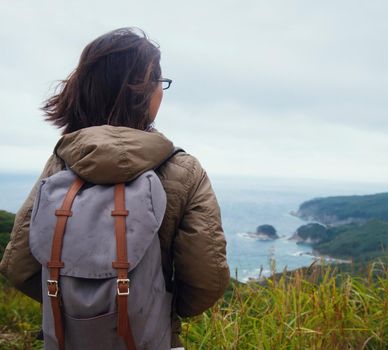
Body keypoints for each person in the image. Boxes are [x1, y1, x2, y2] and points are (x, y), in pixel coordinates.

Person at [0, 27, 230, 349]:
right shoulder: (183, 170)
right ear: (145, 92)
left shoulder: (63, 164)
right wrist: (150, 307)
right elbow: (207, 278)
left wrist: (78, 305)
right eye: (159, 83)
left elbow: (18, 266)